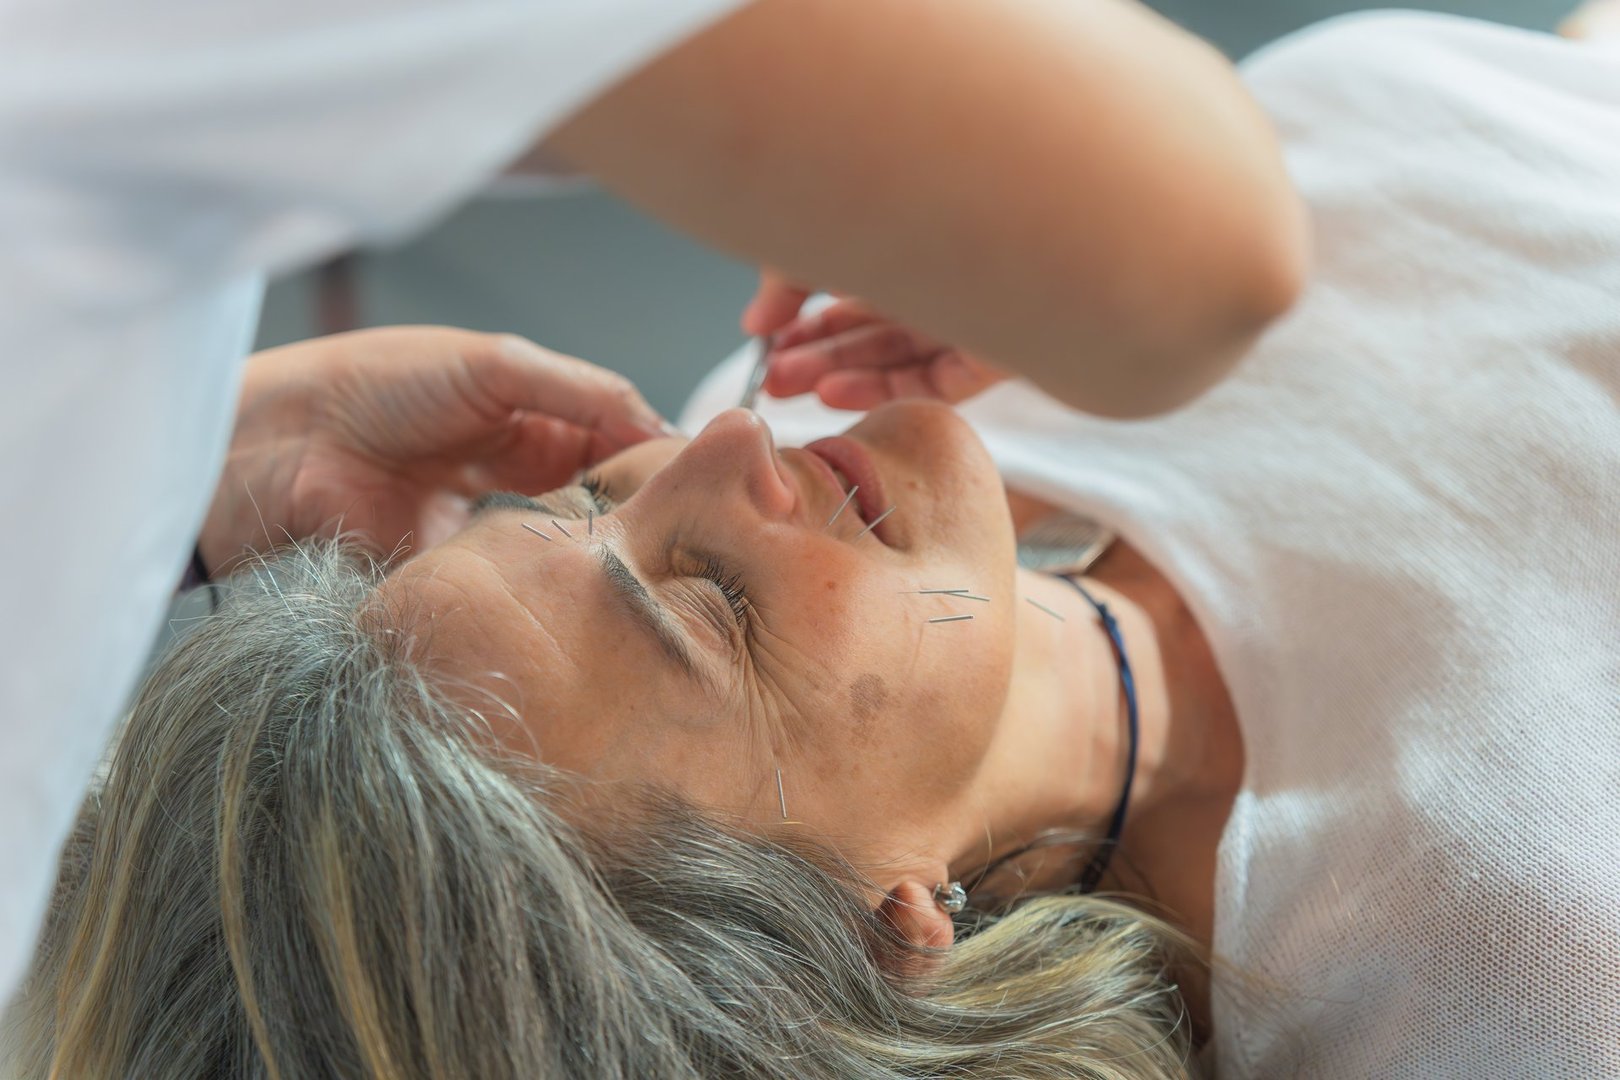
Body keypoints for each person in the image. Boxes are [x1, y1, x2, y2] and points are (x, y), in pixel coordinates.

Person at [5, 11, 1619, 1076]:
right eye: (708, 611)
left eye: (573, 504)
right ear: (885, 926)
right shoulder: (1512, 963)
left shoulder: (879, 371)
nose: (714, 446)